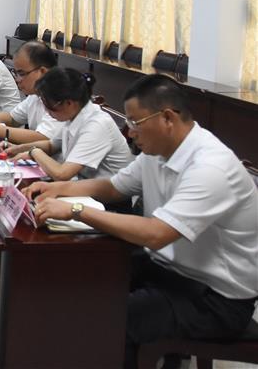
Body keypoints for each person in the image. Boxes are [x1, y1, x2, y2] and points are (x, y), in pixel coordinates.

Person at [24, 75, 258, 369]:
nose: (130, 131)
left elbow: (156, 234)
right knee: (86, 278)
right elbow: (113, 187)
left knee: (109, 318)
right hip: (168, 269)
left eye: (136, 122)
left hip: (215, 298)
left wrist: (76, 210)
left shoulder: (211, 167)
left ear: (168, 118)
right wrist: (58, 188)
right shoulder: (157, 152)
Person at [8, 67, 133, 180]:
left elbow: (62, 174)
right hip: (83, 186)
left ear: (68, 103)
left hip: (104, 195)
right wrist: (18, 148)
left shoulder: (97, 125)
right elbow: (51, 145)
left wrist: (34, 152)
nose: (46, 110)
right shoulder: (74, 115)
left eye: (48, 105)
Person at [0, 40, 65, 144]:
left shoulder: (60, 96)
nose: (17, 79)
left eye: (22, 73)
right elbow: (12, 118)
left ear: (42, 72)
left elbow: (43, 138)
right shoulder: (36, 94)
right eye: (16, 73)